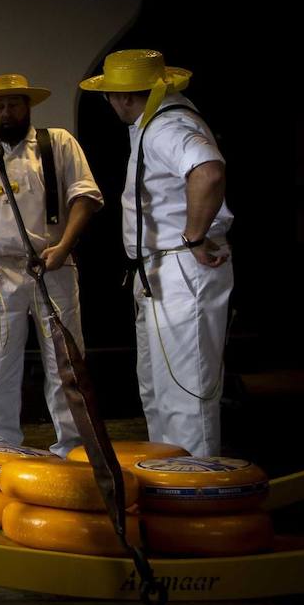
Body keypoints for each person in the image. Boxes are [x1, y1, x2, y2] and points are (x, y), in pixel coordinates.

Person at [80, 49, 233, 457]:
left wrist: (194, 237)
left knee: (185, 388)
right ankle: (170, 479)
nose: (110, 103)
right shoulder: (153, 124)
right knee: (159, 387)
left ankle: (194, 491)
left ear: (124, 97)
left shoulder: (168, 126)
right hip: (161, 268)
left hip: (180, 265)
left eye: (111, 95)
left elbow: (209, 170)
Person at [0, 73, 104, 458]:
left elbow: (85, 195)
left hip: (53, 266)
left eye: (13, 104)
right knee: (0, 367)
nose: (6, 112)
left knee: (64, 363)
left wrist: (65, 246)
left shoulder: (58, 143)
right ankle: (3, 448)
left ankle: (73, 447)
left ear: (27, 106)